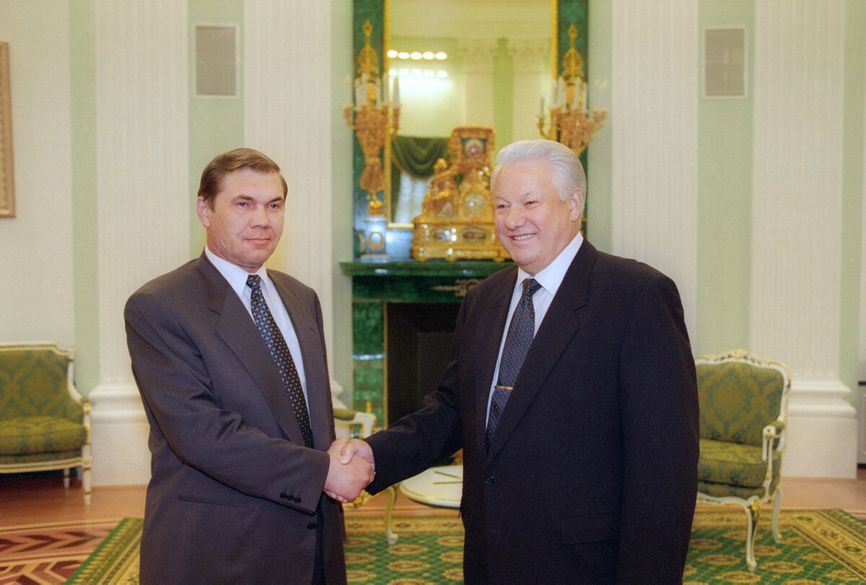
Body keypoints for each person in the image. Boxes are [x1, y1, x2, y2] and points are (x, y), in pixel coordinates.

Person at [337, 139, 699, 583]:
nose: (512, 220)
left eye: (530, 202)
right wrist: (374, 453)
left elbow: (664, 467)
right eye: (502, 205)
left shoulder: (636, 296)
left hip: (587, 565)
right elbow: (452, 410)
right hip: (491, 555)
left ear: (574, 204)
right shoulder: (484, 299)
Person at [125, 148, 372, 585]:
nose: (263, 219)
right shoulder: (160, 306)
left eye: (274, 205)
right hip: (221, 550)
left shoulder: (301, 298)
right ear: (205, 209)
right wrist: (323, 472)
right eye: (244, 204)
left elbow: (307, 421)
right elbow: (202, 435)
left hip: (313, 545)